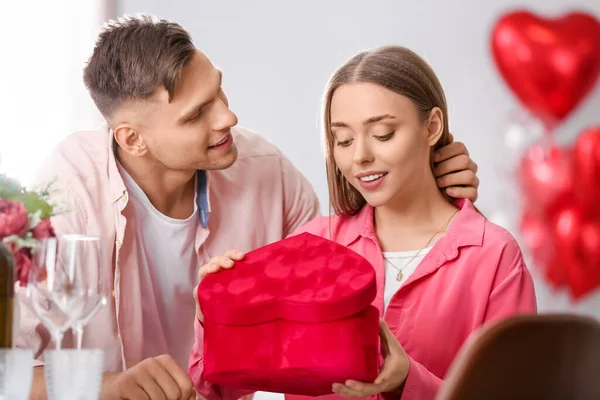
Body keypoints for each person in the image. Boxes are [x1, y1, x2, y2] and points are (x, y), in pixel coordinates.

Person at [17, 15, 480, 400]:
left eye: (218, 91)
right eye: (196, 114)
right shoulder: (63, 198)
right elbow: (6, 371)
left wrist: (425, 177)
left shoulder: (266, 171)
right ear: (132, 139)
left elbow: (342, 256)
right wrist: (108, 388)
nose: (227, 118)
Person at [192, 45, 537, 400]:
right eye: (343, 139)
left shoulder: (493, 256)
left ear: (431, 127)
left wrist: (409, 381)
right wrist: (216, 320)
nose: (360, 156)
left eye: (383, 134)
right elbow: (219, 389)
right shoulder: (314, 243)